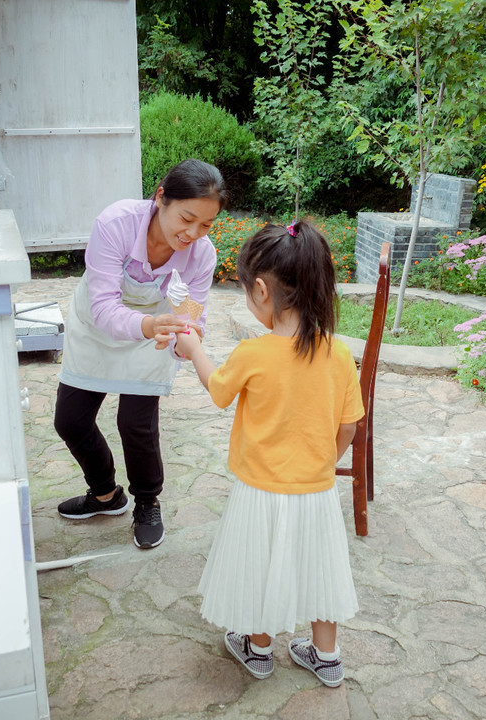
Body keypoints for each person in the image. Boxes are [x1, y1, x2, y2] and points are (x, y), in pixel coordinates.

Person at [174, 219, 363, 688]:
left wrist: (193, 345)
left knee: (258, 568)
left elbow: (219, 391)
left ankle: (258, 650)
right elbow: (351, 425)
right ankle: (327, 656)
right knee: (319, 572)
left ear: (261, 290)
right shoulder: (338, 354)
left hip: (259, 489)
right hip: (315, 490)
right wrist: (322, 461)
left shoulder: (252, 353)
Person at [54, 159, 226, 549]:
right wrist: (149, 326)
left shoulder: (201, 255)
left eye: (205, 225)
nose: (193, 233)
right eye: (187, 218)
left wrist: (184, 338)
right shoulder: (116, 224)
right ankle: (105, 495)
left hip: (156, 330)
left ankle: (147, 502)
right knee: (71, 420)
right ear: (161, 196)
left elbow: (189, 321)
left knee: (136, 423)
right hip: (99, 326)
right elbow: (103, 306)